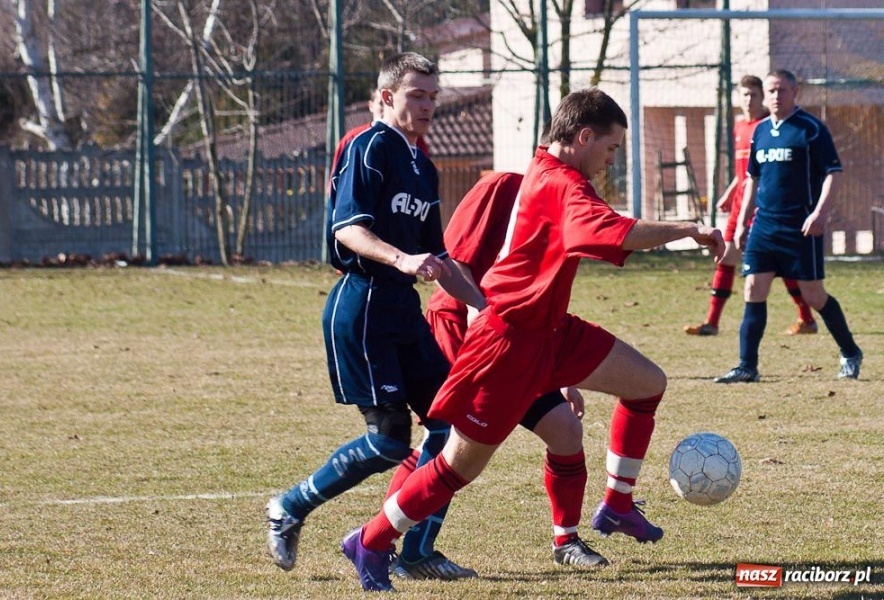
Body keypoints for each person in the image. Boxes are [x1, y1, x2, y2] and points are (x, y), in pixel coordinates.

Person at [340, 87, 725, 592]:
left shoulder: (552, 176)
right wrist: (689, 229)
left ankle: (617, 504)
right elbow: (615, 233)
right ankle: (369, 540)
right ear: (583, 136)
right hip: (509, 341)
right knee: (458, 464)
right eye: (610, 149)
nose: (611, 160)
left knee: (647, 382)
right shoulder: (562, 183)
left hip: (551, 330)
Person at [266, 52, 484, 580]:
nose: (429, 105)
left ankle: (414, 552)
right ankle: (289, 507)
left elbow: (441, 256)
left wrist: (483, 306)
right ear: (387, 97)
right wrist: (401, 257)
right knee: (389, 441)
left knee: (454, 429)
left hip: (401, 309)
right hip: (360, 303)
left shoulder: (423, 165)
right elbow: (348, 229)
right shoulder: (368, 146)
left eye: (434, 96)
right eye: (417, 95)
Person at [394, 170, 609, 574]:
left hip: (519, 342)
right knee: (449, 445)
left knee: (564, 430)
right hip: (463, 330)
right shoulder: (503, 187)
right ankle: (405, 551)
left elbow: (541, 296)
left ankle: (566, 541)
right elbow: (454, 258)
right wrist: (479, 313)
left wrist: (560, 377)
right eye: (605, 150)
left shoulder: (567, 203)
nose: (600, 167)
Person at [715, 69, 863, 383]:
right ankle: (747, 366)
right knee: (753, 288)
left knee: (813, 295)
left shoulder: (810, 129)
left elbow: (833, 173)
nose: (775, 96)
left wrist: (820, 213)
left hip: (801, 227)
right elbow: (752, 180)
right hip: (764, 226)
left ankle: (850, 351)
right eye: (771, 91)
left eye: (782, 90)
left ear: (796, 91)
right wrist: (743, 223)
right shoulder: (761, 131)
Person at [684, 75, 817, 337]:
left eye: (753, 95)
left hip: (762, 205)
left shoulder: (770, 126)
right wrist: (728, 193)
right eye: (744, 95)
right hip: (739, 204)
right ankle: (712, 323)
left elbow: (764, 174)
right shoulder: (739, 127)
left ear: (762, 97)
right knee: (726, 256)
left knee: (776, 264)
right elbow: (744, 172)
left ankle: (807, 318)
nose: (748, 100)